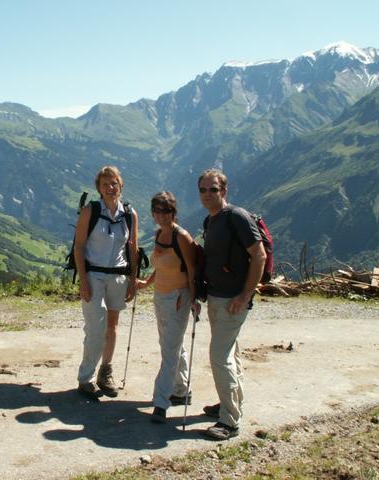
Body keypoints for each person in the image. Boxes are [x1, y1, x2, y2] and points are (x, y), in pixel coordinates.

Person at [198, 169, 266, 440]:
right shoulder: (210, 220)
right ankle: (230, 404)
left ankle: (229, 421)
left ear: (224, 191)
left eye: (213, 189)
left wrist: (245, 295)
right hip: (216, 296)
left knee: (219, 356)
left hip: (232, 301)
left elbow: (258, 255)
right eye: (202, 190)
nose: (207, 194)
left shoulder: (237, 217)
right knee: (230, 354)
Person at [74, 166, 139, 399]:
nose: (110, 188)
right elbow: (79, 246)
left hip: (118, 276)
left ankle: (105, 372)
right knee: (96, 326)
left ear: (120, 185)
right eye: (105, 184)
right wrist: (83, 280)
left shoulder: (129, 214)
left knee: (112, 327)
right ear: (98, 189)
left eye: (114, 183)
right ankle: (86, 377)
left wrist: (133, 280)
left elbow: (132, 248)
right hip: (93, 275)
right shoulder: (90, 211)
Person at [136, 192, 199, 423]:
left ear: (174, 212)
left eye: (167, 211)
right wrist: (147, 282)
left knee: (169, 351)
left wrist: (193, 298)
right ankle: (182, 391)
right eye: (158, 211)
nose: (162, 216)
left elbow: (192, 269)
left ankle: (161, 402)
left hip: (177, 298)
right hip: (160, 296)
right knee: (171, 344)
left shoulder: (181, 236)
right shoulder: (159, 234)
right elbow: (161, 266)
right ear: (153, 213)